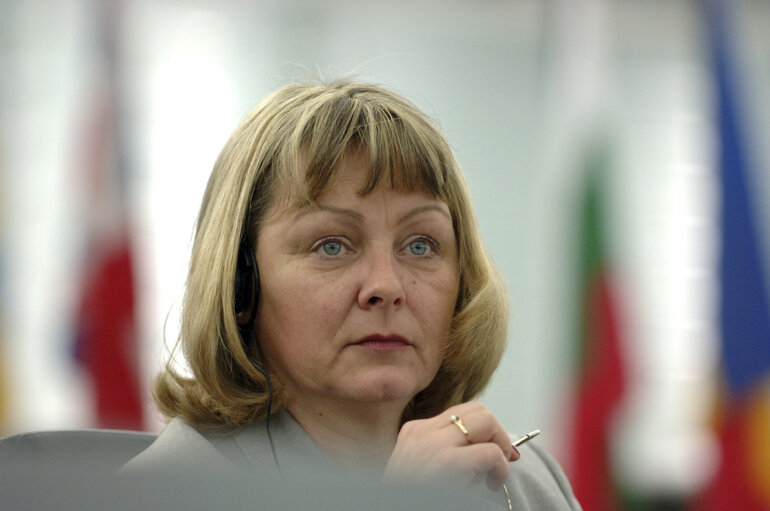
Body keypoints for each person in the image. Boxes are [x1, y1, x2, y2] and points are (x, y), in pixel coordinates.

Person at [124, 80, 581, 510]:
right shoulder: (160, 492)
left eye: (420, 245)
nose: (386, 286)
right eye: (332, 245)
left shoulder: (524, 481)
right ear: (241, 284)